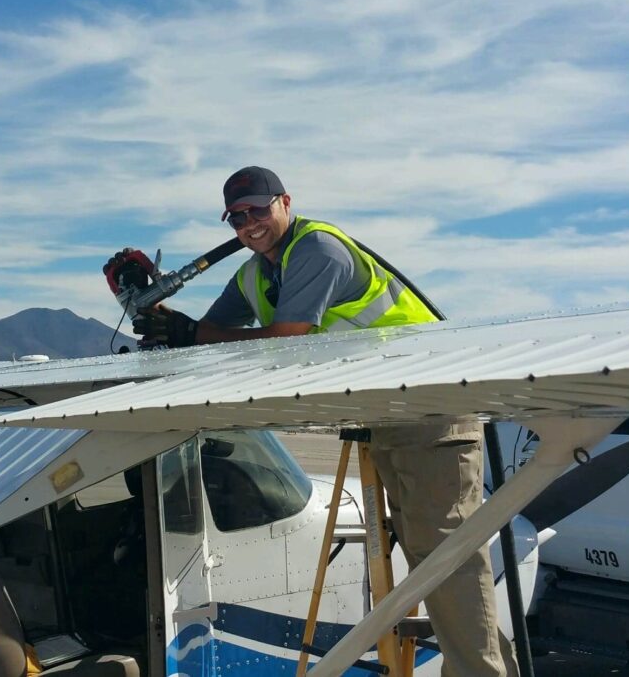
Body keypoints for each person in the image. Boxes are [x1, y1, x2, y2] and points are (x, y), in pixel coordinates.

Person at [132, 166, 517, 677]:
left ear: (285, 202)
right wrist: (158, 315)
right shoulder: (254, 274)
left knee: (448, 563)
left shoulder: (318, 250)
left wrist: (193, 334)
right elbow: (209, 332)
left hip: (430, 411)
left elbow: (289, 339)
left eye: (258, 210)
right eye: (237, 217)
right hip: (387, 416)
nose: (249, 224)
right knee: (435, 562)